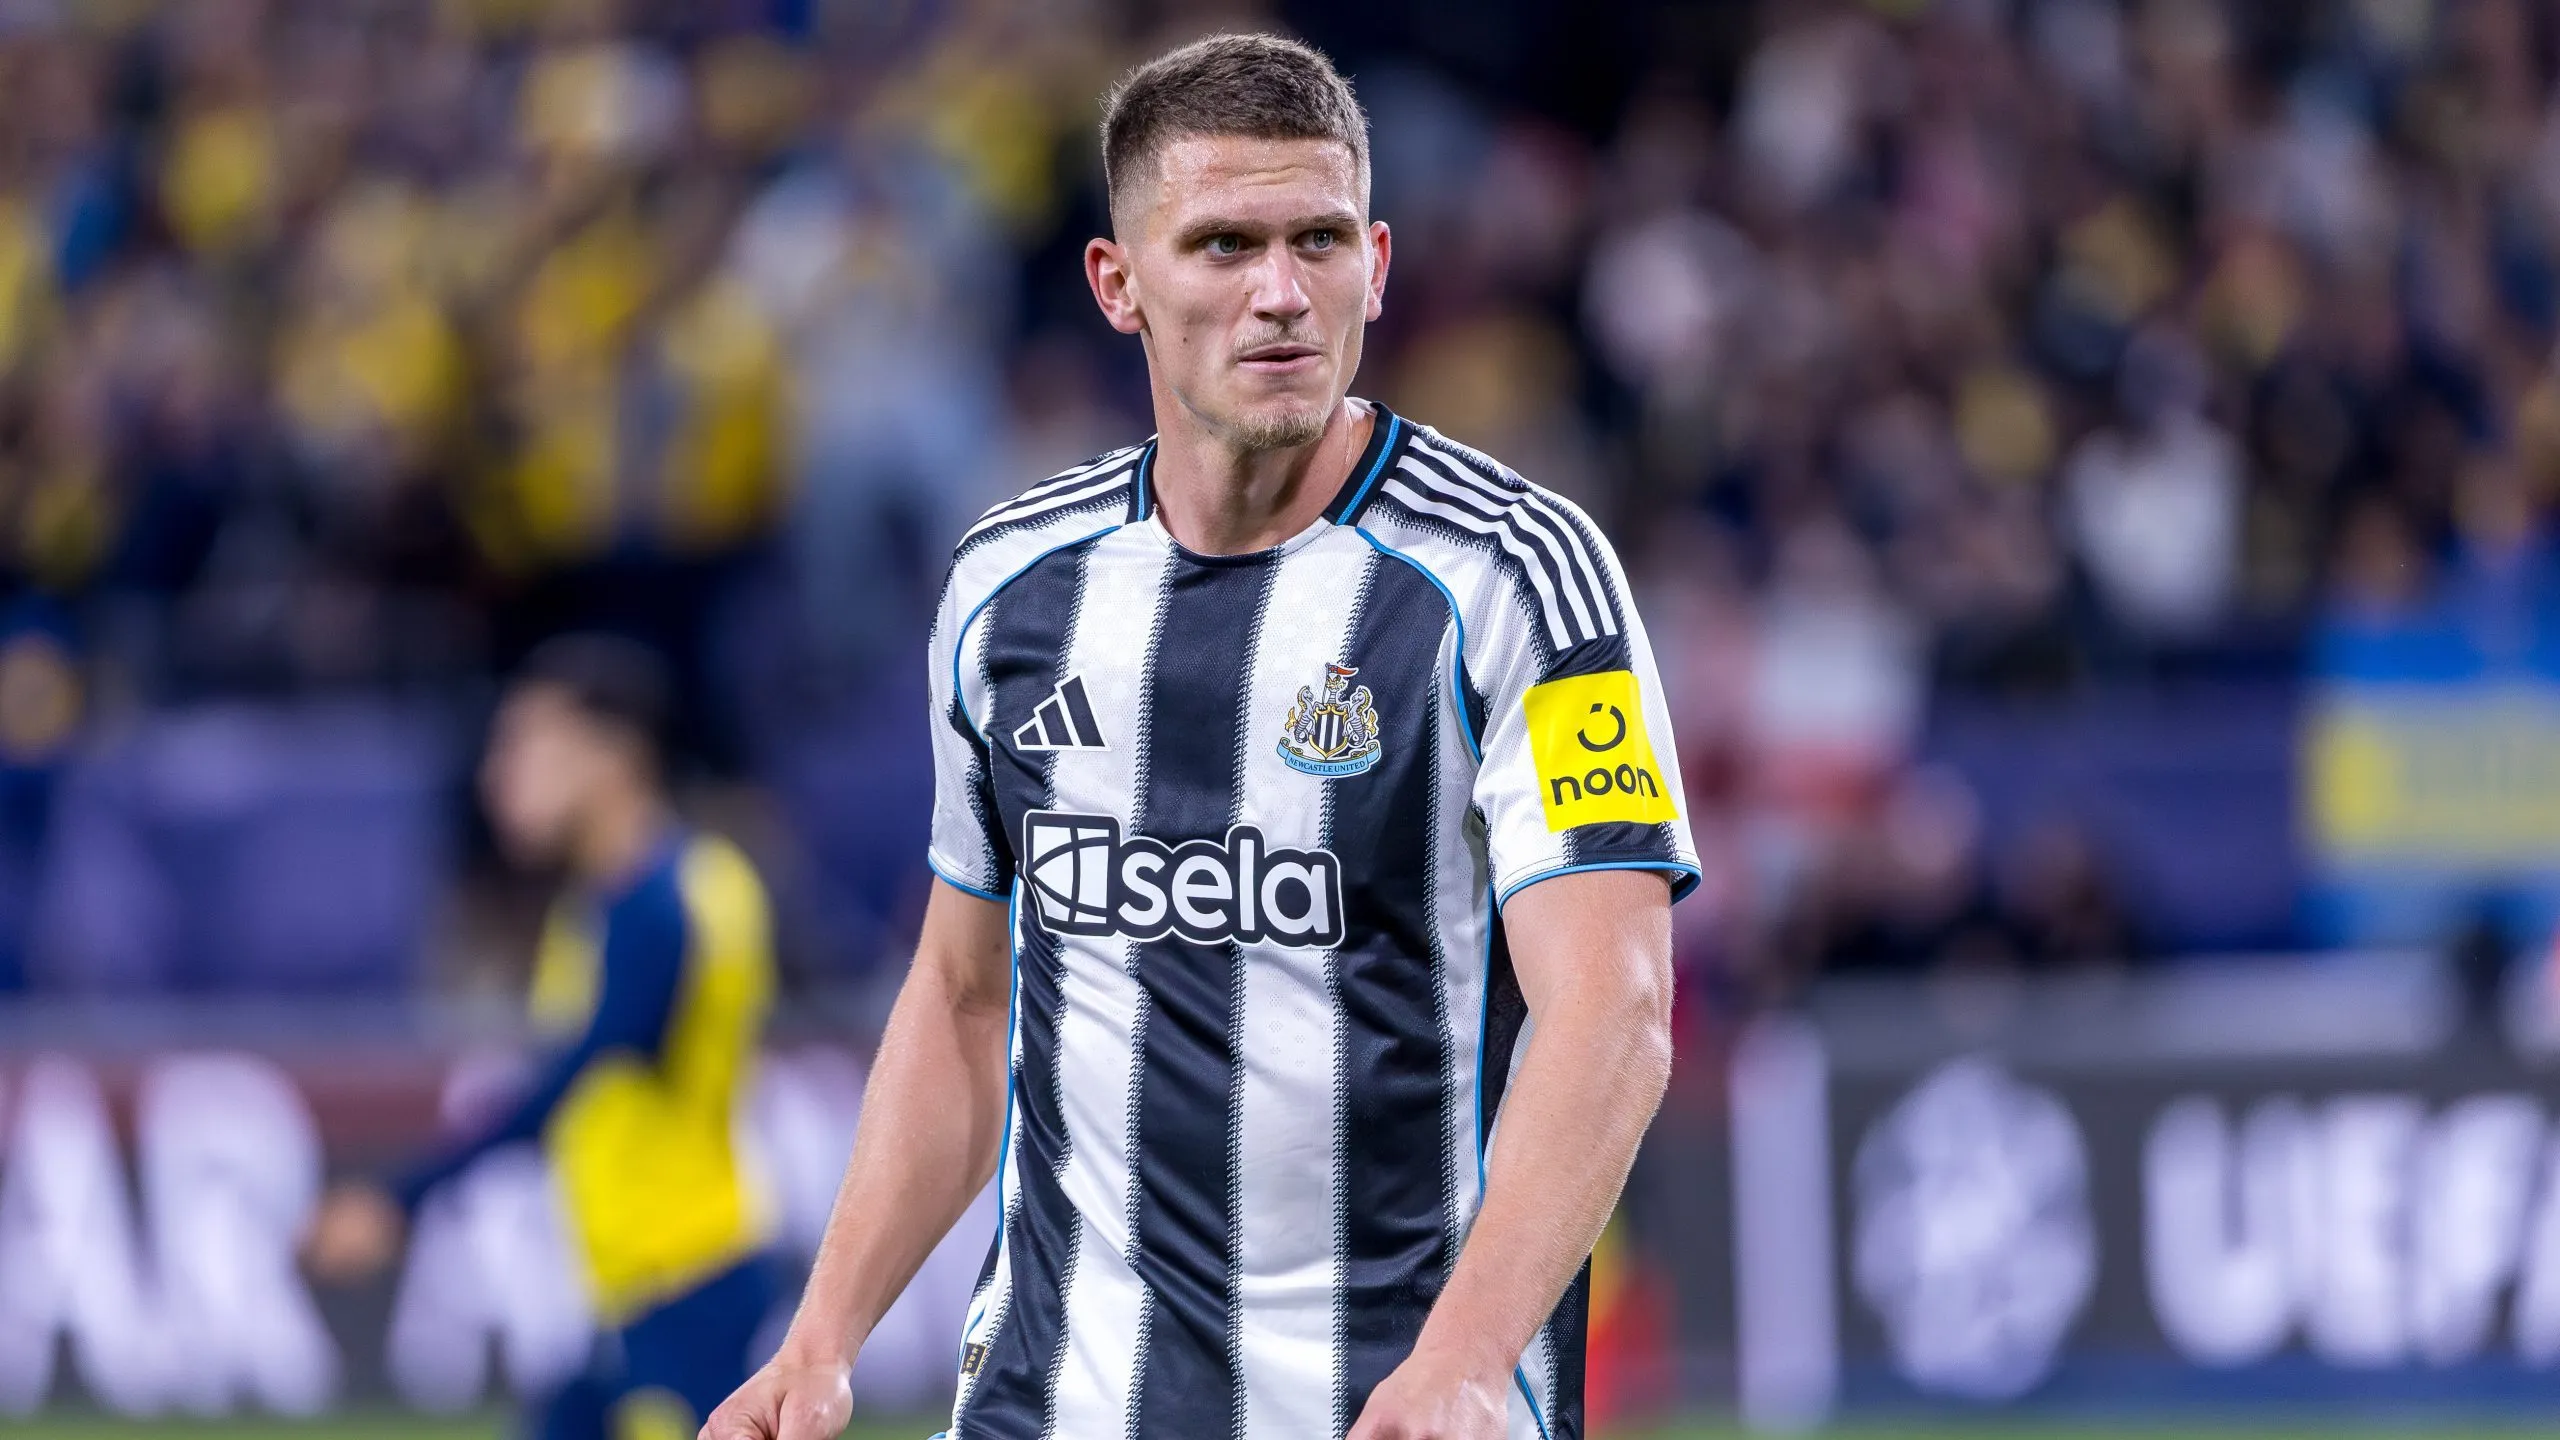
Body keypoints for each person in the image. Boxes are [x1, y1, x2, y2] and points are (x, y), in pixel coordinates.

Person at [706, 33, 1695, 1440]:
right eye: (1224, 245)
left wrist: (1471, 1361)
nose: (1280, 293)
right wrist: (821, 1340)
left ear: (1377, 266)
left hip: (1396, 1406)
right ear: (1118, 283)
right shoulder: (1008, 589)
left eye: (1319, 241)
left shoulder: (1515, 577)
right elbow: (964, 998)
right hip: (1055, 1396)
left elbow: (1614, 1010)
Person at [307, 633, 780, 1440]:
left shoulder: (660, 908)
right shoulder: (613, 903)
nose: (499, 776)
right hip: (639, 1292)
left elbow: (569, 1082)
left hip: (687, 1288)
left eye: (526, 745)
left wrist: (399, 1198)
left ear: (612, 755)